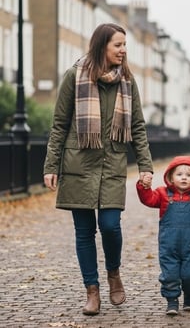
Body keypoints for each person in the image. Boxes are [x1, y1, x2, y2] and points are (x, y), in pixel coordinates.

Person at [43, 23, 153, 316]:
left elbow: (138, 127)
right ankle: (92, 291)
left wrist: (145, 166)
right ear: (101, 45)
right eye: (118, 45)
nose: (123, 50)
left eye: (125, 45)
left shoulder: (127, 82)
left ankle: (113, 272)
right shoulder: (73, 76)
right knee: (83, 232)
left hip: (112, 164)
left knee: (110, 226)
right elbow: (59, 125)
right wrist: (51, 165)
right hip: (78, 163)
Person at [136, 155, 190, 315]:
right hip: (168, 246)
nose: (184, 177)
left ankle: (189, 295)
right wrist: (144, 186)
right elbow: (148, 199)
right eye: (179, 174)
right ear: (170, 177)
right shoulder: (162, 194)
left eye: (189, 175)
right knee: (169, 274)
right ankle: (172, 301)